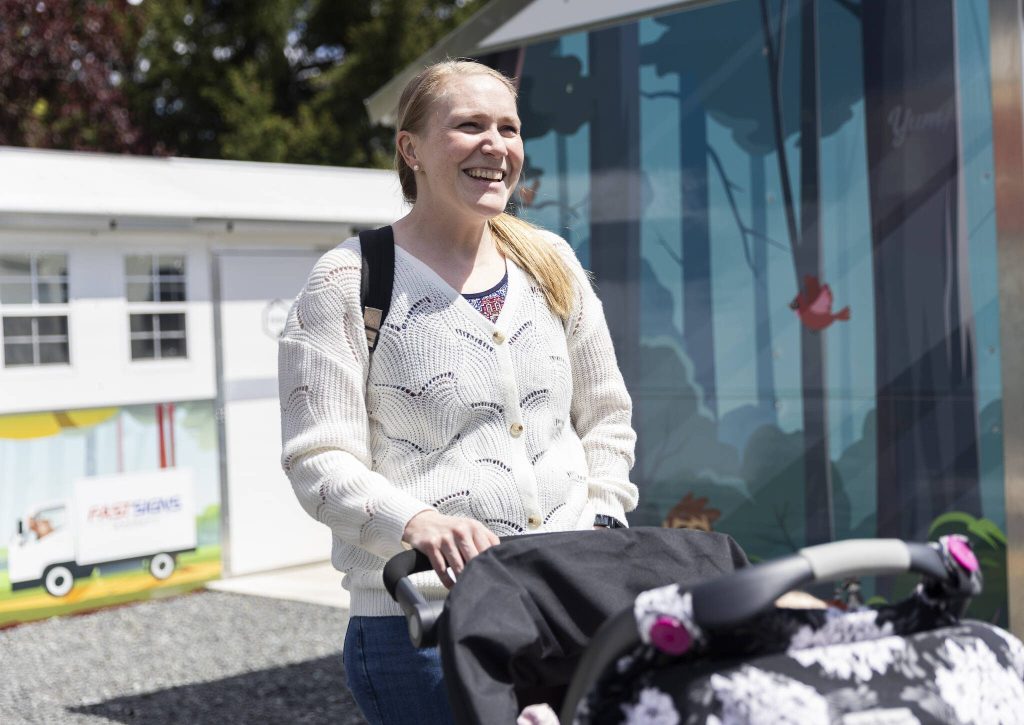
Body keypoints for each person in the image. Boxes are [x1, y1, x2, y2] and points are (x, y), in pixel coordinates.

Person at [278, 59, 638, 725]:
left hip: (571, 613)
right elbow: (316, 460)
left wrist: (604, 526)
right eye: (469, 126)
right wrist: (415, 523)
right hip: (426, 630)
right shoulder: (348, 282)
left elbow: (607, 420)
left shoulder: (551, 262)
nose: (495, 145)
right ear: (409, 149)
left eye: (509, 127)